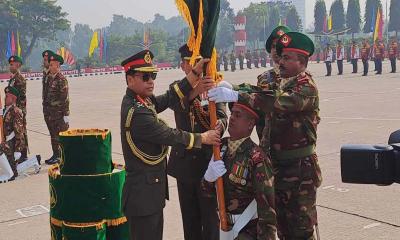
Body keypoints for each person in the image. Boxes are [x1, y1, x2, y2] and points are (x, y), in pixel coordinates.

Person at [208, 32, 322, 240]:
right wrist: (233, 88)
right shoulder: (280, 82)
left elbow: (276, 102)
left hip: (299, 171)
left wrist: (236, 95)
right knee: (281, 227)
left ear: (302, 62)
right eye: (281, 56)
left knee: (301, 230)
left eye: (287, 58)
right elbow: (260, 92)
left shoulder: (307, 87)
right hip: (276, 166)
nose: (281, 61)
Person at [120, 49, 221, 240]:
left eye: (153, 76)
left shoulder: (142, 101)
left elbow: (168, 98)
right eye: (145, 76)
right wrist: (203, 138)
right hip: (143, 196)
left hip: (149, 193)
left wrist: (195, 74)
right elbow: (169, 135)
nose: (151, 81)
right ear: (130, 79)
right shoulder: (137, 112)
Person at [167, 44, 227, 240]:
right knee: (190, 218)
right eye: (188, 64)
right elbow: (176, 104)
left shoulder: (213, 86)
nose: (192, 68)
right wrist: (194, 91)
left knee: (210, 217)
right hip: (185, 164)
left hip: (208, 162)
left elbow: (222, 116)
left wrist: (218, 126)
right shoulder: (177, 88)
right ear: (184, 67)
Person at [202, 102, 277, 240]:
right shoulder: (219, 148)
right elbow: (206, 193)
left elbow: (267, 209)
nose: (232, 118)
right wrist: (208, 179)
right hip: (221, 227)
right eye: (232, 114)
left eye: (238, 115)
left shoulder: (256, 158)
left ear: (250, 124)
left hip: (247, 230)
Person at [0, 87, 40, 183]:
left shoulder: (16, 111)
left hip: (11, 145)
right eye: (5, 96)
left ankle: (10, 175)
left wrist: (18, 150)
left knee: (13, 170)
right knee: (12, 166)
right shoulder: (6, 110)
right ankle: (34, 161)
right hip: (7, 143)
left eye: (7, 96)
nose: (5, 98)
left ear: (13, 98)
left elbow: (19, 132)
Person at [43, 53, 70, 165]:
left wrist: (66, 115)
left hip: (59, 114)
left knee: (60, 136)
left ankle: (64, 157)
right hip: (50, 113)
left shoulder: (61, 79)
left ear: (58, 65)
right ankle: (56, 155)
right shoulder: (49, 78)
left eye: (53, 64)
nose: (50, 67)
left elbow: (65, 99)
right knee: (53, 135)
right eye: (50, 64)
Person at [7, 56, 28, 161]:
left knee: (21, 131)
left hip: (19, 110)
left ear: (18, 65)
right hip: (13, 109)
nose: (10, 66)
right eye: (10, 64)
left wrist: (17, 109)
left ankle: (24, 155)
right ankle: (19, 153)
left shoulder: (20, 79)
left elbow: (21, 97)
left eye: (12, 64)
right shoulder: (12, 78)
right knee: (16, 131)